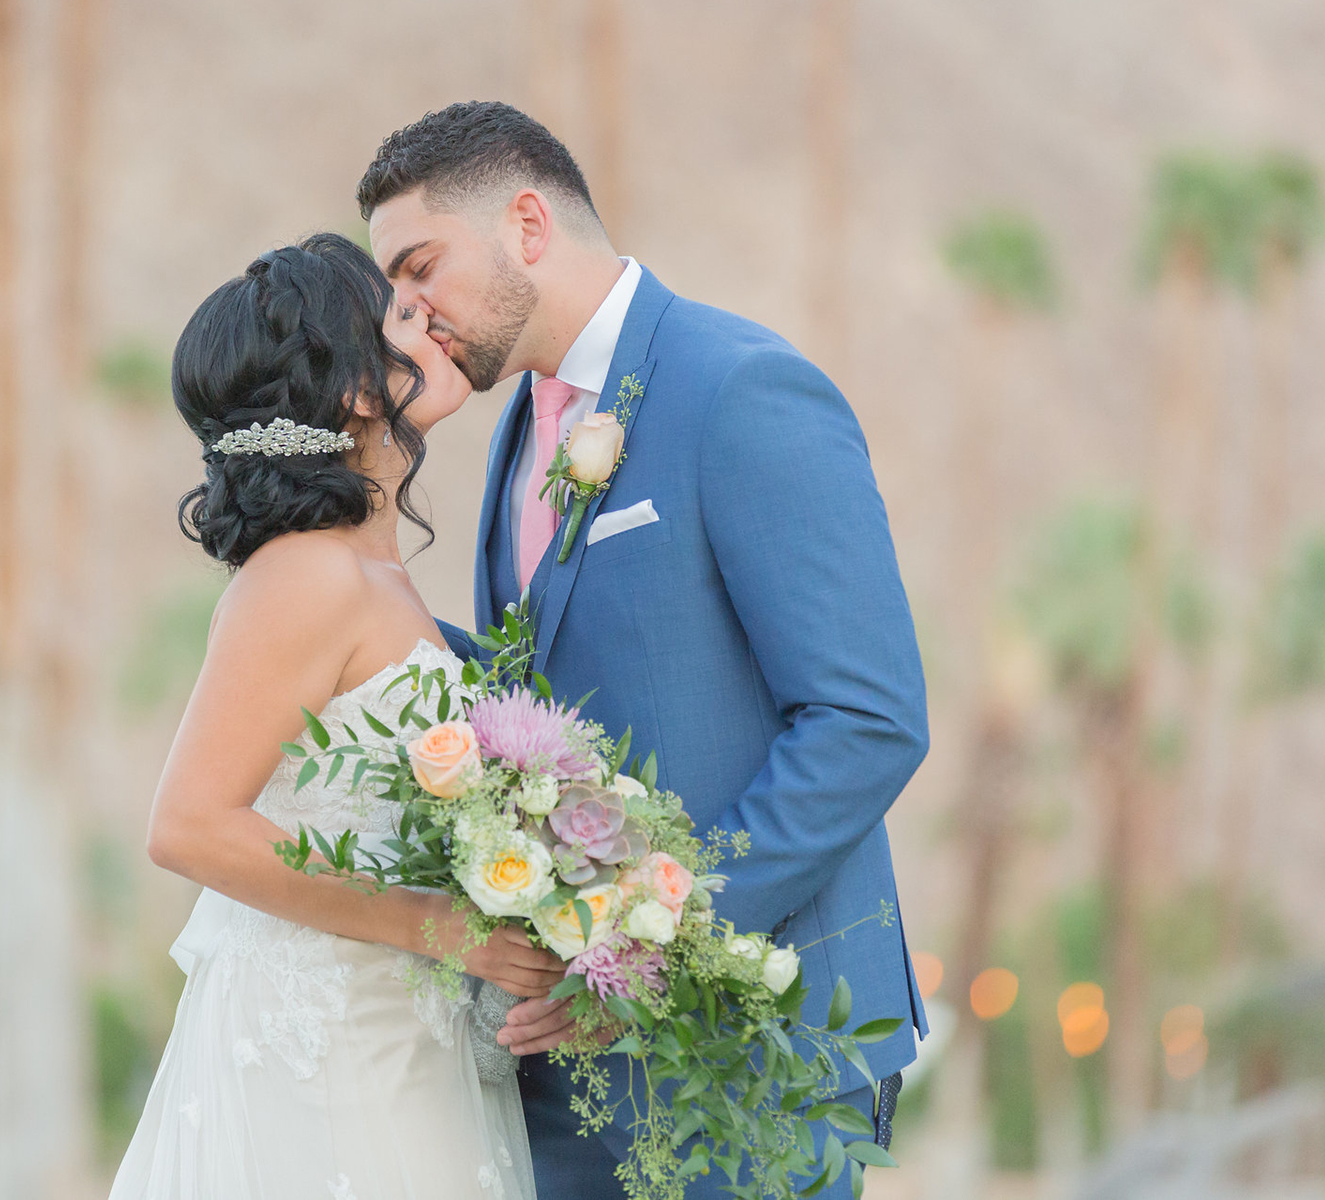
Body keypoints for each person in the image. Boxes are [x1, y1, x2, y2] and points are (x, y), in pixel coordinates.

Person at [360, 101, 930, 1200]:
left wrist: (653, 951)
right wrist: (351, 596)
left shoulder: (741, 388)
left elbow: (868, 720)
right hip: (574, 1069)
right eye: (396, 292)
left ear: (528, 224)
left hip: (757, 1054)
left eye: (421, 269)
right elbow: (541, 694)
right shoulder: (521, 426)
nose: (409, 315)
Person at [109, 232, 548, 1200]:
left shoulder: (372, 572)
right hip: (329, 1046)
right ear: (355, 390)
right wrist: (443, 928)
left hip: (404, 1032)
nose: (432, 322)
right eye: (403, 317)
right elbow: (189, 825)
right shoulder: (306, 574)